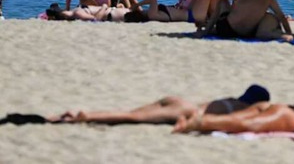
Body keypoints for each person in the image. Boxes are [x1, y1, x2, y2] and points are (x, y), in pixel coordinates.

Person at [48, 84, 270, 124]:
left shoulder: (232, 100)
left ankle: (80, 115)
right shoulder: (241, 110)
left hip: (179, 101)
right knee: (130, 117)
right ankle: (85, 116)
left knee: (128, 113)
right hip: (185, 111)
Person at [126, 0, 216, 25]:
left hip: (189, 11)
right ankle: (213, 17)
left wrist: (174, 8)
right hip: (193, 15)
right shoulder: (151, 15)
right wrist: (137, 4)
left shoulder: (150, 15)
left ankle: (210, 16)